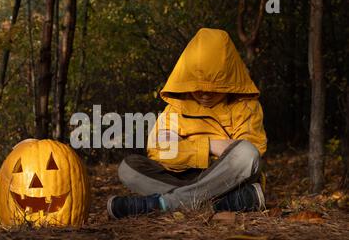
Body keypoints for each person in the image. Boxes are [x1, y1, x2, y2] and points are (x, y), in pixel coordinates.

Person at [107, 28, 268, 219]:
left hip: (223, 179)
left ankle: (165, 204)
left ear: (230, 82)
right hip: (183, 177)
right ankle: (226, 202)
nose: (205, 94)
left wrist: (182, 147)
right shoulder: (176, 107)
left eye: (215, 89)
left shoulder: (246, 107)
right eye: (198, 88)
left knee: (247, 153)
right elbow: (160, 151)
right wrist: (211, 146)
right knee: (128, 168)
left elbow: (251, 156)